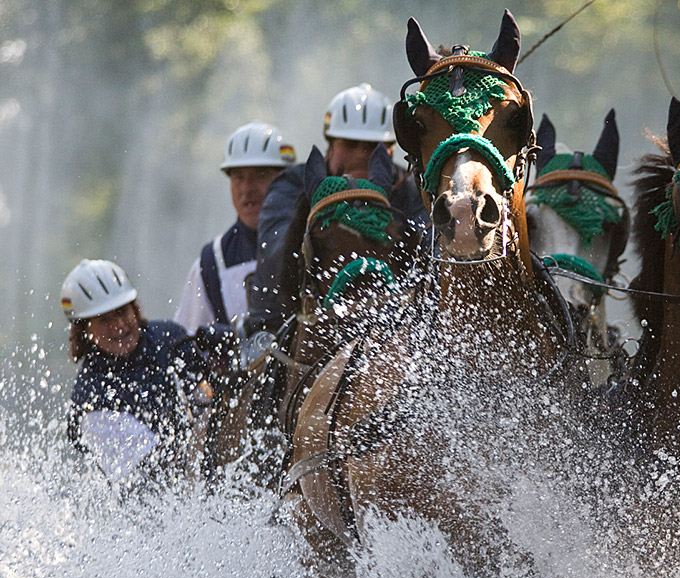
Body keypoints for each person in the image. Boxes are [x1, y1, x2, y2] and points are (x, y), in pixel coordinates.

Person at [246, 83, 426, 335]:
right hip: (286, 324)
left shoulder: (411, 189)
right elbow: (278, 256)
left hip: (392, 325)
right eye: (351, 145)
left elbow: (428, 256)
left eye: (373, 147)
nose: (361, 155)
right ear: (330, 146)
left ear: (391, 150)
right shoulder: (292, 186)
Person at [63, 259, 212, 493]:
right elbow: (153, 475)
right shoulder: (91, 402)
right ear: (84, 331)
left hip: (207, 470)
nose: (119, 325)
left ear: (134, 308)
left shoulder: (170, 338)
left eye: (122, 311)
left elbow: (213, 392)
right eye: (104, 320)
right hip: (156, 510)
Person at [174, 121, 297, 334]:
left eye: (260, 175)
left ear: (285, 179)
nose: (247, 189)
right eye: (238, 177)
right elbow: (188, 346)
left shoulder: (315, 240)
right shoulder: (212, 263)